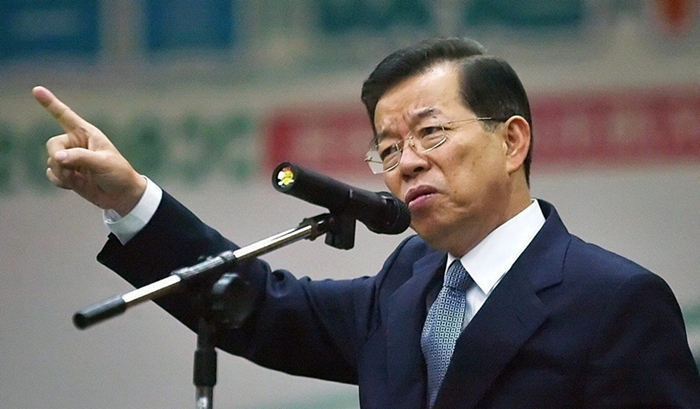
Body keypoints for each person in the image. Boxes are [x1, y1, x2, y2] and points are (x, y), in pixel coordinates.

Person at [38, 37, 700, 408]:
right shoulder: (408, 282)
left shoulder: (614, 301)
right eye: (387, 149)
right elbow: (261, 309)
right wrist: (131, 199)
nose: (407, 162)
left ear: (512, 140)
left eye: (431, 133)